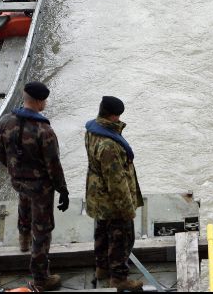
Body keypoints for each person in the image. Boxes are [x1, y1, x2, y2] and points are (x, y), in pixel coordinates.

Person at [0, 81, 69, 291]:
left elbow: (1, 155)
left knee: (24, 204)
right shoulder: (44, 131)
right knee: (43, 230)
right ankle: (41, 279)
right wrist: (62, 189)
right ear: (38, 102)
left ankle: (23, 239)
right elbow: (54, 165)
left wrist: (16, 172)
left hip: (18, 181)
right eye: (44, 100)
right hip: (40, 188)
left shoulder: (5, 122)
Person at [84, 96, 144, 291]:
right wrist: (128, 210)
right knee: (122, 239)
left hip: (96, 194)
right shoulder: (109, 145)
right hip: (112, 200)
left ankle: (102, 268)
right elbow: (116, 183)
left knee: (101, 233)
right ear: (114, 116)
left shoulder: (91, 131)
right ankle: (119, 279)